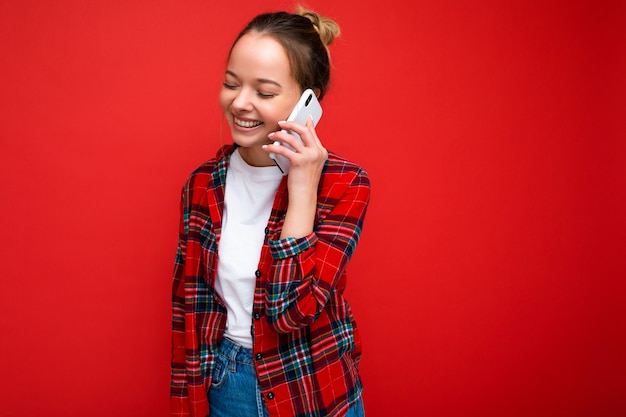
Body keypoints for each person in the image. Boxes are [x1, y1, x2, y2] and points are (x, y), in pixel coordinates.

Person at [170, 7, 370, 417]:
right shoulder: (202, 185)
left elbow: (291, 313)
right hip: (227, 384)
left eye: (264, 92)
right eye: (231, 84)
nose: (240, 103)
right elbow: (188, 311)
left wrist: (302, 188)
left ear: (307, 103)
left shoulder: (345, 185)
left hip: (312, 383)